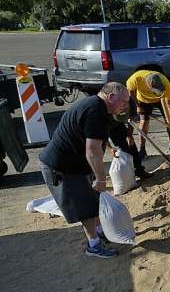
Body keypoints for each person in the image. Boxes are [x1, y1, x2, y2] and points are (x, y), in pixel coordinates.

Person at [38, 82, 131, 259]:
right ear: (111, 97)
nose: (126, 105)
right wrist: (100, 178)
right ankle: (93, 245)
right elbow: (92, 150)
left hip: (74, 164)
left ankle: (99, 231)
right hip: (61, 167)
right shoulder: (96, 112)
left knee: (92, 198)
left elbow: (95, 139)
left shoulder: (97, 107)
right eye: (124, 101)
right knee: (85, 206)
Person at [126, 69, 170, 159]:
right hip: (143, 100)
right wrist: (137, 105)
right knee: (144, 122)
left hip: (161, 100)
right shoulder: (136, 78)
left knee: (168, 122)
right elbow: (130, 91)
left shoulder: (166, 83)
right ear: (148, 85)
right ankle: (142, 149)